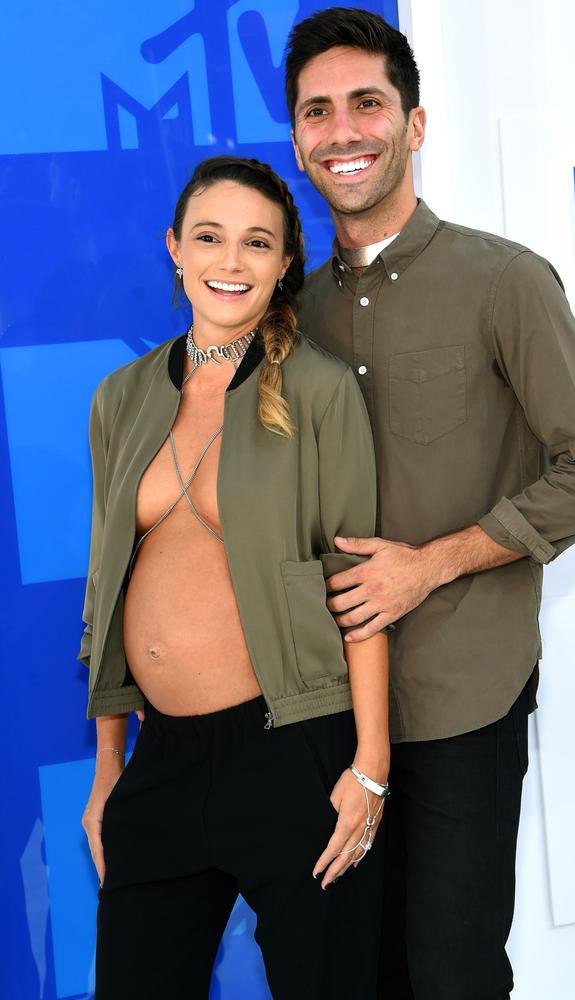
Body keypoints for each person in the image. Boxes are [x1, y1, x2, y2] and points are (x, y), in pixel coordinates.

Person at [285, 9, 575, 999]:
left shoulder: (504, 282)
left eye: (366, 104)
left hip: (460, 696)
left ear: (416, 123)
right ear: (296, 137)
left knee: (449, 974)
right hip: (329, 714)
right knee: (358, 974)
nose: (343, 130)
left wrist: (428, 563)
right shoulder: (292, 312)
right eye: (318, 111)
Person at [78, 155, 390, 1000]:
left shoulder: (320, 391)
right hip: (161, 765)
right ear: (174, 248)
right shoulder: (120, 397)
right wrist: (110, 767)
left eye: (258, 243)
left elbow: (358, 584)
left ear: (287, 262)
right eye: (210, 237)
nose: (230, 261)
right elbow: (104, 591)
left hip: (295, 753)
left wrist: (369, 766)